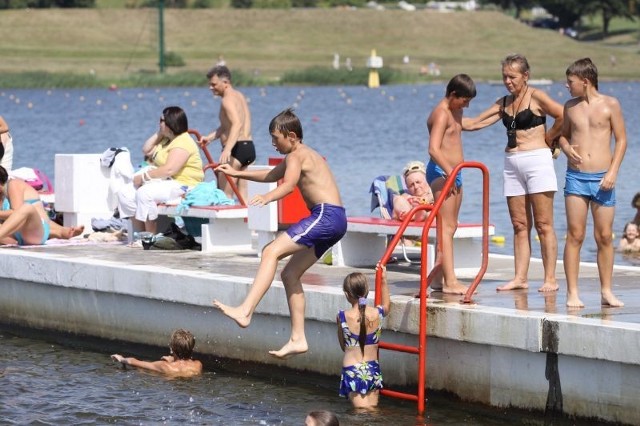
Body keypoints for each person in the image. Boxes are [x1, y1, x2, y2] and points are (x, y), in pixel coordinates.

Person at [212, 108, 346, 359]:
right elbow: (272, 175)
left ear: (292, 136)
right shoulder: (301, 154)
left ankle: (246, 310)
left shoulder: (297, 156)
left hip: (325, 216)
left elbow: (288, 185)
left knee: (270, 251)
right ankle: (298, 338)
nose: (273, 143)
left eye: (276, 138)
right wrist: (236, 172)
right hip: (335, 219)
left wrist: (267, 197)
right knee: (290, 273)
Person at [463, 54, 564, 293]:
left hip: (537, 160)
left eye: (512, 76)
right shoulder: (504, 102)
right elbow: (475, 123)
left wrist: (550, 138)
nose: (508, 81)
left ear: (525, 76)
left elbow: (563, 115)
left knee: (543, 224)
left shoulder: (537, 96)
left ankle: (550, 278)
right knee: (519, 224)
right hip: (511, 163)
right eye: (504, 76)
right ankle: (520, 277)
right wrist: (447, 115)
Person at [558, 58, 627, 308]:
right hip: (576, 177)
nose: (567, 86)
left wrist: (612, 173)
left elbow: (621, 140)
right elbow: (562, 136)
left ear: (585, 81)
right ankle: (572, 293)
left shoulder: (611, 105)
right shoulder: (570, 107)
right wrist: (565, 148)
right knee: (575, 235)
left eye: (571, 82)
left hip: (603, 179)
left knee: (605, 236)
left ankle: (606, 291)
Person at [425, 74, 476, 295]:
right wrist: (450, 173)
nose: (467, 105)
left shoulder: (456, 111)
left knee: (451, 226)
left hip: (455, 173)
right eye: (464, 100)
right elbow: (434, 149)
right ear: (453, 94)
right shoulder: (441, 114)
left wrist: (500, 110)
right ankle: (450, 281)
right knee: (445, 227)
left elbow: (473, 123)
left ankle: (437, 278)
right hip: (442, 172)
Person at [118, 106, 204, 234]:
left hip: (184, 185)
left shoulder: (183, 141)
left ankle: (150, 237)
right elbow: (146, 150)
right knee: (125, 193)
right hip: (167, 182)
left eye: (161, 120)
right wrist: (160, 132)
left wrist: (143, 178)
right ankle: (141, 235)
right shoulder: (166, 139)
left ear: (171, 122)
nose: (159, 123)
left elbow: (169, 169)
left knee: (144, 193)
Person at [200, 65, 255, 203]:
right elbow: (227, 126)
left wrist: (228, 150)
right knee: (244, 198)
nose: (210, 88)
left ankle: (226, 225)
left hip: (235, 150)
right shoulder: (239, 96)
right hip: (248, 148)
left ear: (225, 82)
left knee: (225, 196)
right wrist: (210, 138)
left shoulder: (226, 100)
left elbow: (236, 124)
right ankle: (248, 224)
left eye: (213, 84)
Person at [337, 265, 390, 409]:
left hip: (352, 370)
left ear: (347, 294)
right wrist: (383, 280)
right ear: (367, 291)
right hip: (373, 369)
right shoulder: (377, 314)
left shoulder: (342, 316)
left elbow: (343, 346)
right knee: (371, 412)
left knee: (359, 415)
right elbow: (386, 306)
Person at [0, 166, 84, 245]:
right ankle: (62, 232)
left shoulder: (14, 184)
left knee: (27, 208)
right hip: (15, 236)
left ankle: (61, 232)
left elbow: (15, 212)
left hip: (34, 231)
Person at [111, 329, 202, 377]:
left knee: (141, 370)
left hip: (171, 390)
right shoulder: (198, 365)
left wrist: (121, 358)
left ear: (172, 349)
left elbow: (133, 362)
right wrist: (171, 360)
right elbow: (182, 365)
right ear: (191, 349)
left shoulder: (164, 366)